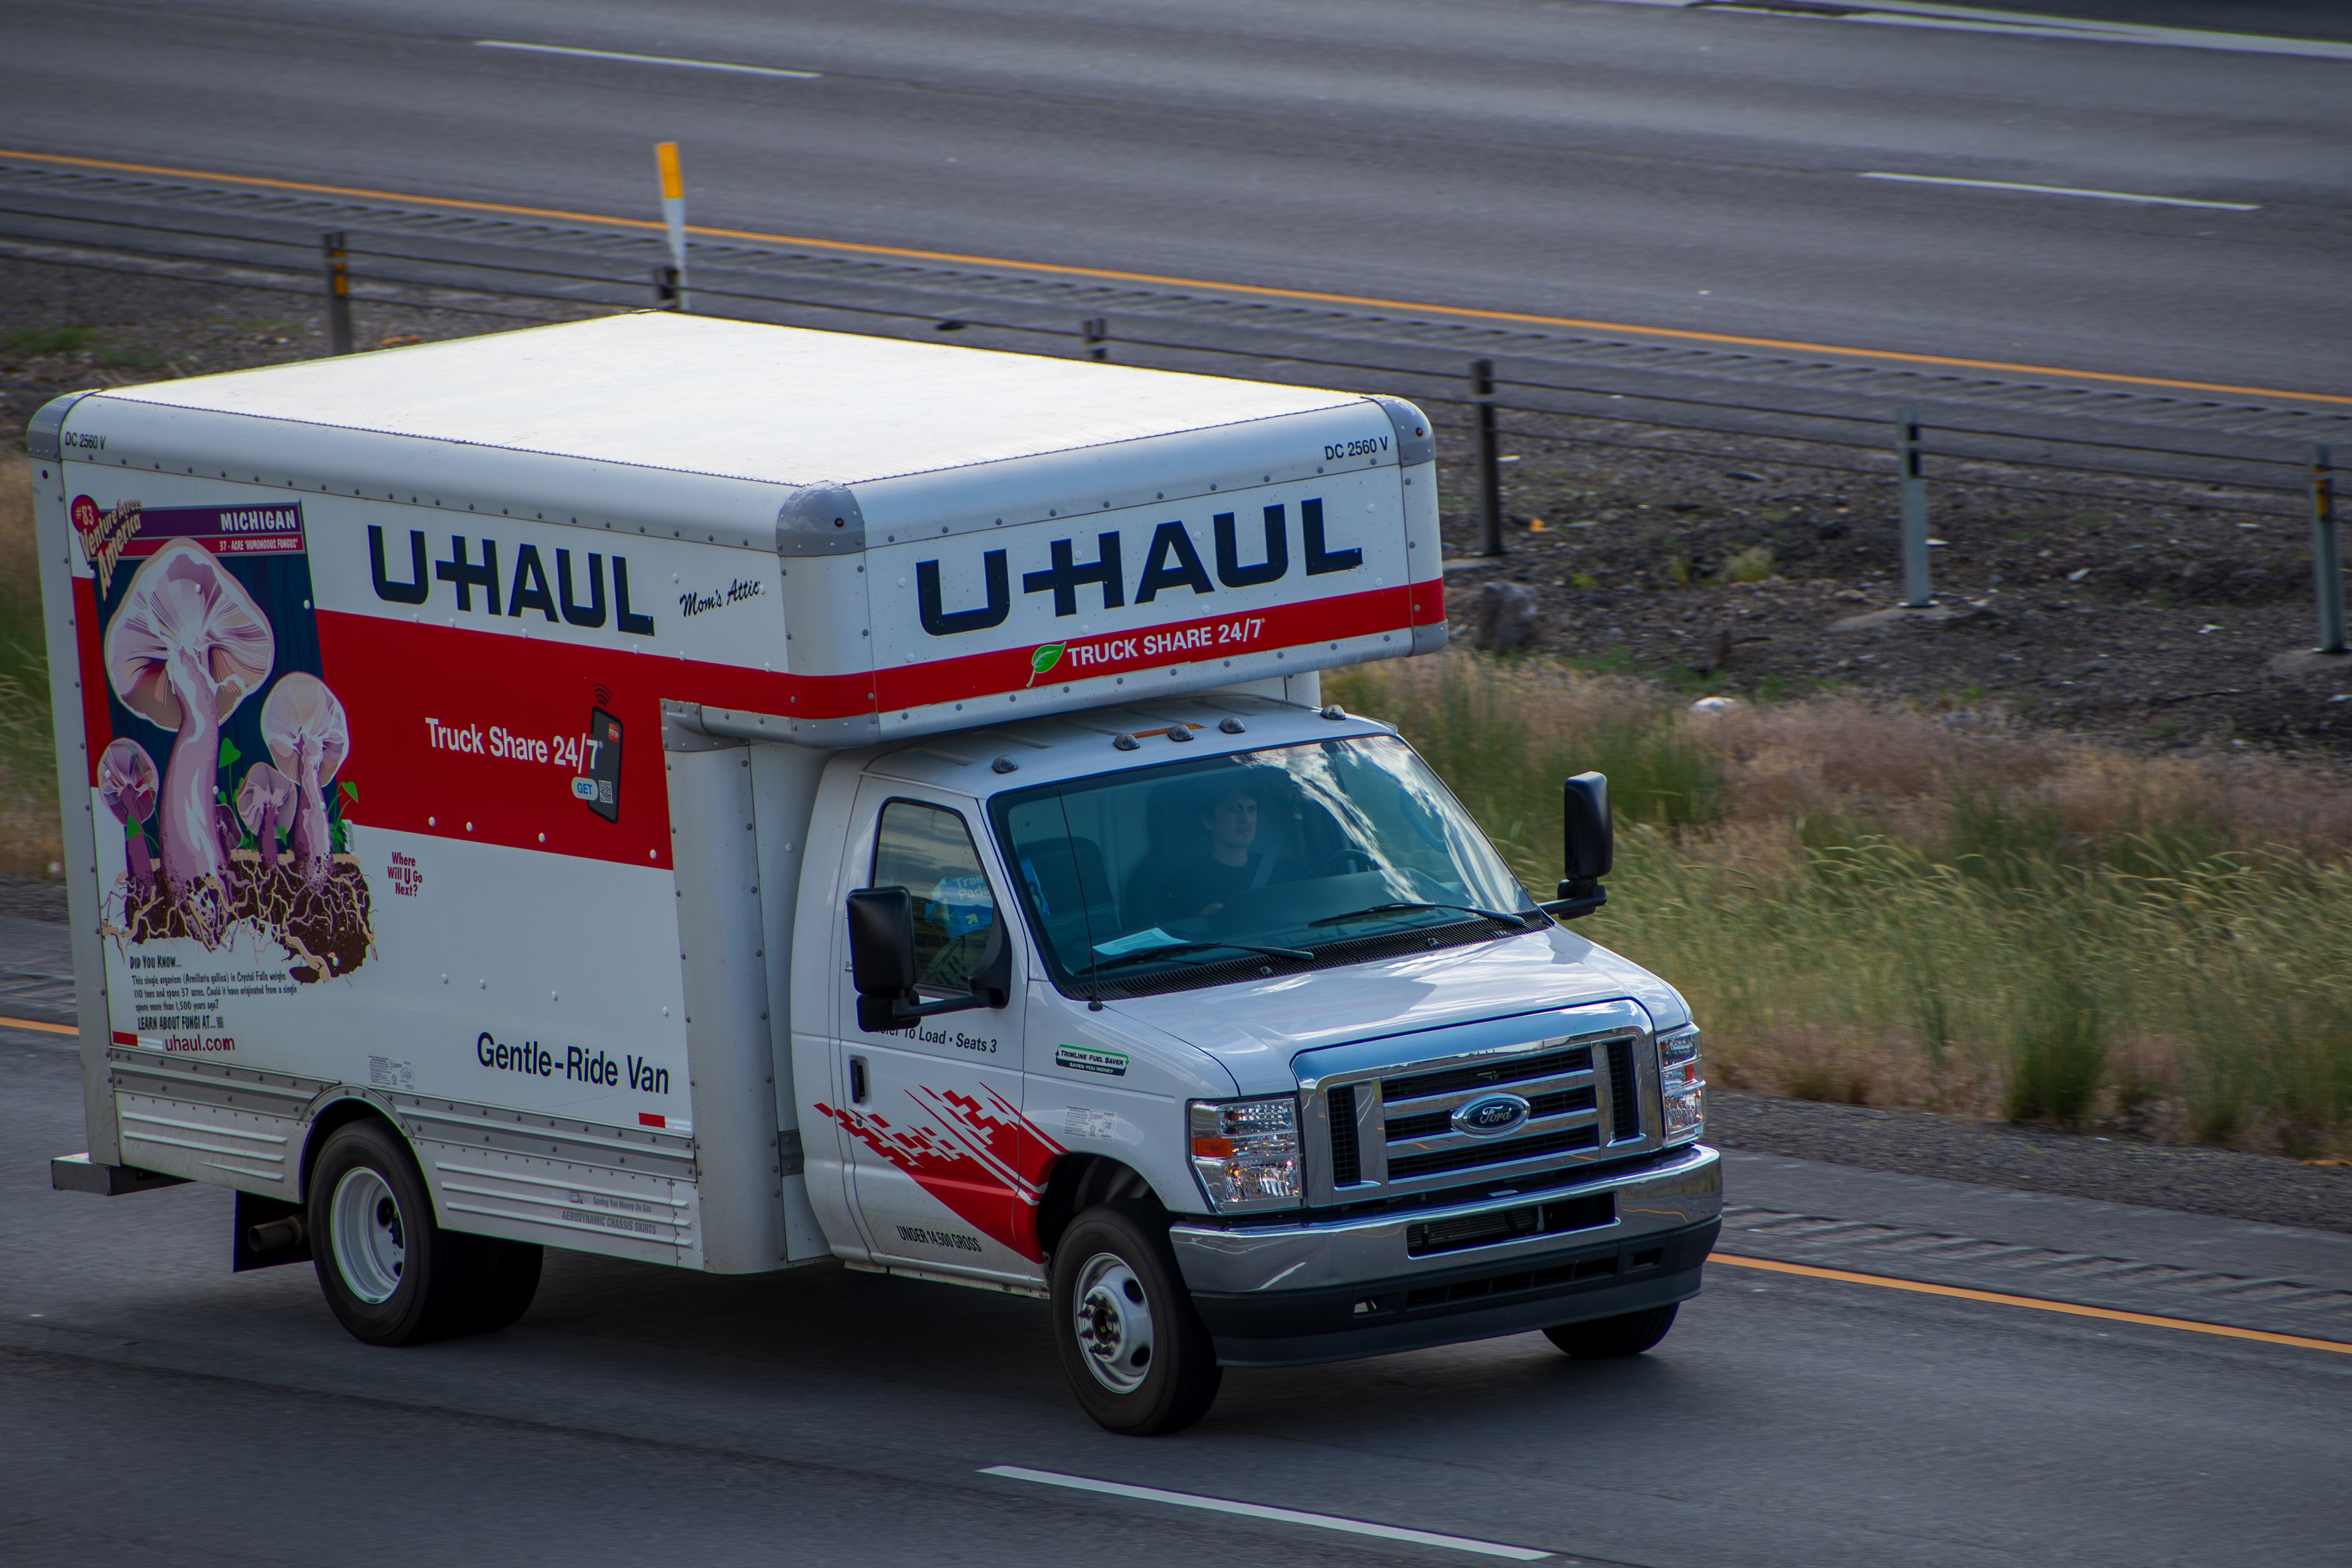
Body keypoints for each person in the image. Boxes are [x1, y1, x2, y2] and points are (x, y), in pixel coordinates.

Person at [1136, 783, 1265, 927]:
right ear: (1208, 821)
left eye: (1251, 809)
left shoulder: (1273, 867)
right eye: (1235, 809)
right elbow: (1226, 923)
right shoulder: (1191, 879)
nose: (1246, 818)